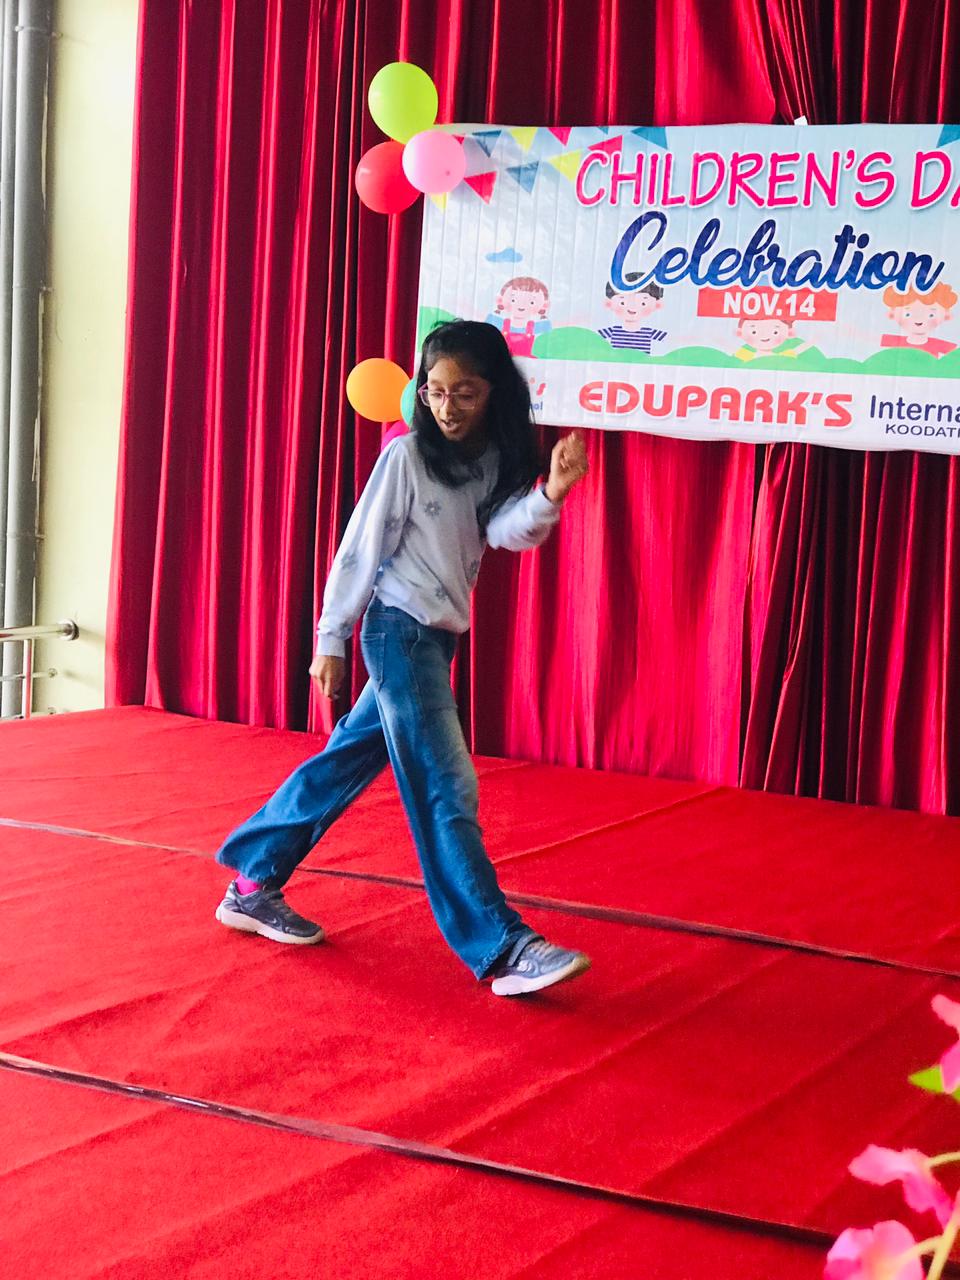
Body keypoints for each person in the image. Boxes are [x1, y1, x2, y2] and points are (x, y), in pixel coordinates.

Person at [214, 320, 591, 997]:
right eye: (436, 392)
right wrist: (330, 638)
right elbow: (361, 546)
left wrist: (550, 493)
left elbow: (503, 532)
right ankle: (502, 946)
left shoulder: (493, 458)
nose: (447, 407)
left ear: (494, 391)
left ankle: (252, 882)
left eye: (465, 393)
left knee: (343, 762)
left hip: (435, 638)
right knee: (446, 785)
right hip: (397, 633)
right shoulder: (407, 456)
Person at [598, 275, 667, 353]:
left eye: (643, 303)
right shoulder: (613, 331)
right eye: (622, 303)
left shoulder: (649, 332)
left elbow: (670, 340)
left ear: (657, 305)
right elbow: (594, 337)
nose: (632, 307)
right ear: (608, 304)